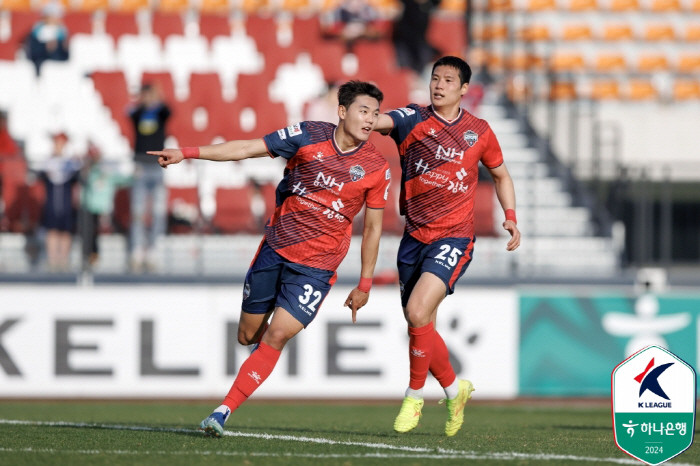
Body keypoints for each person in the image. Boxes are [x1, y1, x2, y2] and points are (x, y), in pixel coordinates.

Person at [148, 80, 391, 437]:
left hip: (317, 268)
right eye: (363, 111)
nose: (370, 120)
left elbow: (372, 230)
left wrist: (365, 282)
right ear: (342, 111)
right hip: (275, 249)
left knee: (276, 335)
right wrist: (188, 152)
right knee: (248, 336)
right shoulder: (307, 135)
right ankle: (255, 354)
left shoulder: (375, 167)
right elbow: (246, 148)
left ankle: (222, 411)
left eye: (375, 113)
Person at [372, 56, 521, 436]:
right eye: (435, 78)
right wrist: (363, 117)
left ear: (463, 89)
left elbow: (501, 175)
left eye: (447, 80)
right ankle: (456, 391)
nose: (438, 85)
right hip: (413, 237)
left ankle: (414, 397)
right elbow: (382, 121)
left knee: (419, 310)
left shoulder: (479, 131)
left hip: (453, 236)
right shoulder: (412, 118)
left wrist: (511, 216)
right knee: (419, 323)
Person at [128, 82, 171, 272]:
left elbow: (168, 110)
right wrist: (142, 101)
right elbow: (129, 112)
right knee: (138, 211)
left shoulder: (160, 112)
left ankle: (153, 249)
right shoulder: (138, 113)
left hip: (157, 166)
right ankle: (137, 250)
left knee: (157, 211)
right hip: (140, 165)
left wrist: (157, 97)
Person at [80, 141, 131, 268]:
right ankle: (91, 258)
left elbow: (123, 180)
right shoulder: (89, 173)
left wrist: (134, 175)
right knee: (90, 234)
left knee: (114, 230)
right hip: (91, 208)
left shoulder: (107, 173)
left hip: (105, 209)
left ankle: (125, 258)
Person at [39, 132, 81, 271]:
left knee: (65, 231)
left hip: (66, 201)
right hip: (52, 201)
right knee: (52, 230)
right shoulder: (48, 162)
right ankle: (52, 260)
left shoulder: (71, 163)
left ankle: (63, 260)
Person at [25, 1, 69, 76]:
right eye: (51, 16)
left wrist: (55, 49)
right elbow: (31, 52)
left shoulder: (62, 32)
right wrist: (44, 47)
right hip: (39, 64)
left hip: (57, 67)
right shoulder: (36, 31)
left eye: (55, 17)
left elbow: (65, 56)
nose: (53, 19)